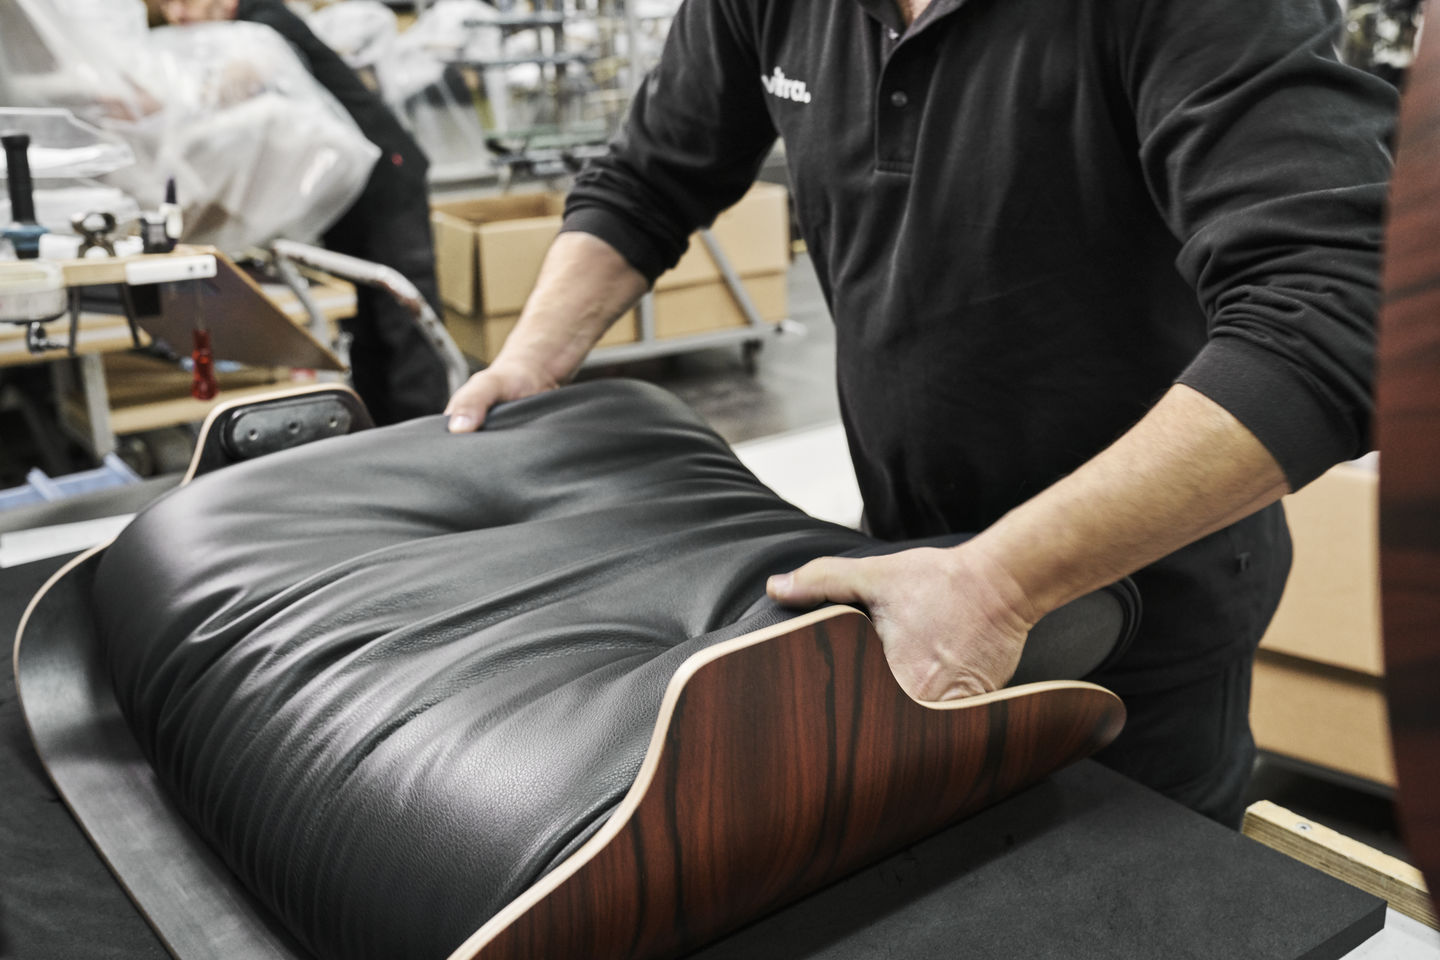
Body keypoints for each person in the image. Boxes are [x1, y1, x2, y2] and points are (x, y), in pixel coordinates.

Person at [445, 0, 1396, 827]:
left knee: (1123, 910)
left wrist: (997, 587)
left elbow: (1340, 310)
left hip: (1135, 602)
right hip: (904, 569)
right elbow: (652, 175)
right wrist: (529, 363)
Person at [157, 0, 451, 425]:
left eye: (185, 1)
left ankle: (424, 433)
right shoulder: (234, 34)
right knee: (362, 322)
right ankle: (381, 433)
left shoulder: (262, 23)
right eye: (166, 4)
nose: (176, 15)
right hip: (345, 190)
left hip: (386, 176)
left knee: (402, 319)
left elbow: (235, 83)